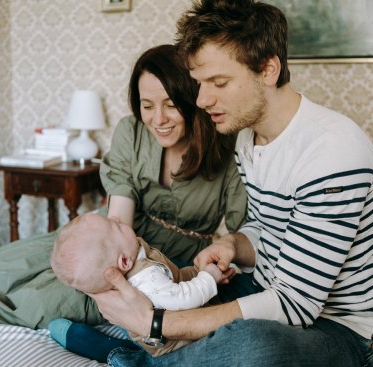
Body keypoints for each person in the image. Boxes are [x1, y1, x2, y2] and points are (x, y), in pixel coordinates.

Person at [89, 1, 373, 366]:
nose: (201, 100)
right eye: (199, 84)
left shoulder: (332, 151)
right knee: (173, 282)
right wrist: (233, 244)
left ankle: (139, 358)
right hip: (268, 286)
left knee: (255, 346)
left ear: (268, 69)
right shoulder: (247, 138)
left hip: (347, 330)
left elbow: (296, 304)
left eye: (218, 83)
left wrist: (158, 322)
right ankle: (143, 350)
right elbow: (266, 230)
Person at [49, 43, 248, 360]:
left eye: (171, 105)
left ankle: (117, 349)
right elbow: (118, 222)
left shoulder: (228, 146)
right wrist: (117, 266)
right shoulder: (131, 131)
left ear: (191, 100)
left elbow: (243, 231)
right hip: (121, 242)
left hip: (173, 255)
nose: (158, 119)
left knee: (67, 301)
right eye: (147, 106)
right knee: (56, 270)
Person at [50, 213, 224, 362]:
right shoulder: (147, 279)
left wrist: (195, 272)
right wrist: (209, 278)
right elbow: (184, 298)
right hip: (180, 346)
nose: (117, 218)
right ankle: (122, 355)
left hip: (157, 321)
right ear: (124, 261)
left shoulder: (132, 255)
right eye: (116, 226)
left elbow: (173, 278)